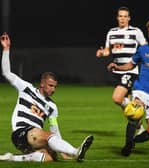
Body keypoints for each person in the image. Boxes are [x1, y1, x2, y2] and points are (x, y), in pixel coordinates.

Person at [0, 33, 94, 162]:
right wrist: (6, 49)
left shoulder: (52, 107)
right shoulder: (26, 88)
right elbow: (6, 73)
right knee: (46, 136)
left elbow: (54, 129)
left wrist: (60, 150)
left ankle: (12, 158)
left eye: (55, 87)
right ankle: (76, 152)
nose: (53, 89)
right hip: (21, 133)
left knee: (50, 157)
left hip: (34, 138)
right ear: (42, 84)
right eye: (50, 86)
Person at [107, 17, 149, 156]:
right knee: (135, 114)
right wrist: (118, 67)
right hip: (141, 91)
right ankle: (127, 146)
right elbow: (130, 65)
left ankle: (133, 141)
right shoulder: (143, 50)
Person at [96, 6, 147, 134]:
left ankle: (138, 118)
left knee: (117, 98)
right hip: (117, 71)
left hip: (130, 70)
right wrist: (102, 53)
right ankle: (138, 125)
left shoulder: (136, 32)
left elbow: (145, 48)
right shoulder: (111, 32)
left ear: (129, 18)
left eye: (125, 16)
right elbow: (108, 50)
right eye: (120, 16)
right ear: (117, 18)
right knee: (126, 102)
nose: (123, 18)